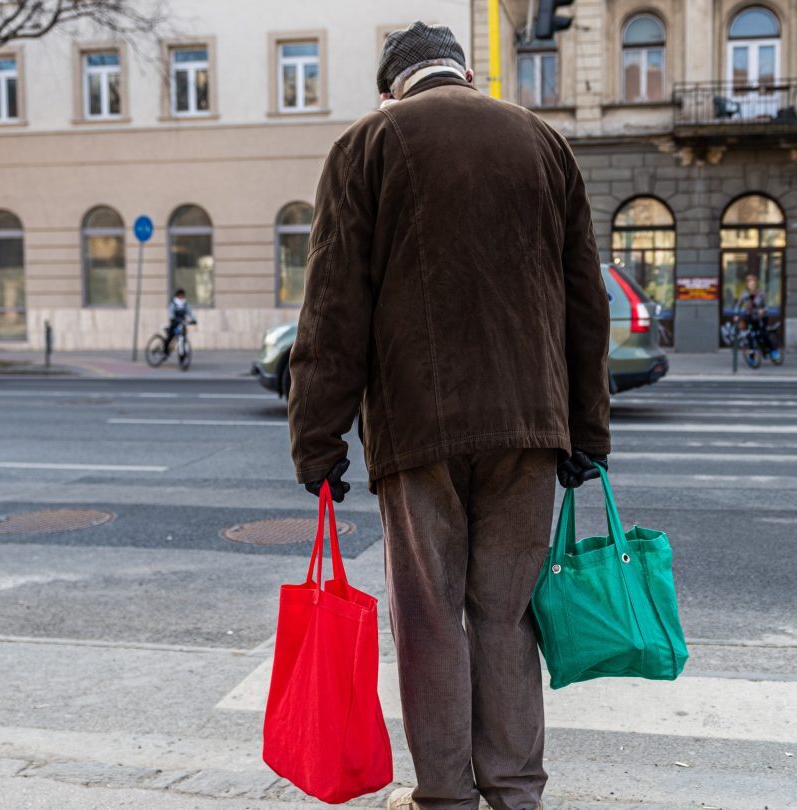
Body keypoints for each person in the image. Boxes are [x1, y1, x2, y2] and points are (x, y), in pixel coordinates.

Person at [286, 21, 611, 810]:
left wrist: (317, 438)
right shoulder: (544, 143)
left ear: (392, 85)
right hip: (532, 425)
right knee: (506, 613)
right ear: (464, 73)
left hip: (418, 425)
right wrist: (586, 431)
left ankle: (445, 798)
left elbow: (333, 307)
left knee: (431, 617)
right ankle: (515, 792)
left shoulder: (368, 145)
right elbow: (584, 302)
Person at [733, 273, 779, 362]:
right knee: (750, 335)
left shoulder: (761, 293)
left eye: (753, 282)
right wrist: (736, 314)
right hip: (750, 318)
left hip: (761, 317)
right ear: (747, 283)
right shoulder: (744, 294)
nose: (751, 284)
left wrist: (763, 310)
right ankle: (752, 357)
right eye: (750, 282)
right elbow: (738, 305)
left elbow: (767, 307)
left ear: (756, 283)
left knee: (763, 333)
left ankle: (773, 351)